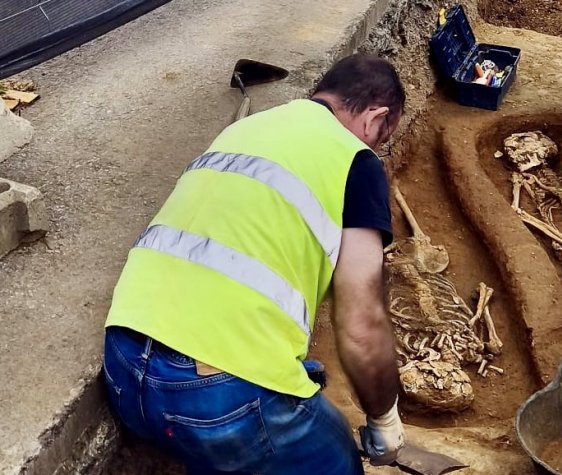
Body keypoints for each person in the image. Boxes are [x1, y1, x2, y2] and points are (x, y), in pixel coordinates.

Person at [101, 53, 407, 474]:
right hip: (214, 401)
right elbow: (361, 328)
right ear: (376, 118)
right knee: (339, 460)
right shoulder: (354, 160)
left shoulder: (244, 129)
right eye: (379, 138)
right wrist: (383, 419)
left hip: (123, 367)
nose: (373, 148)